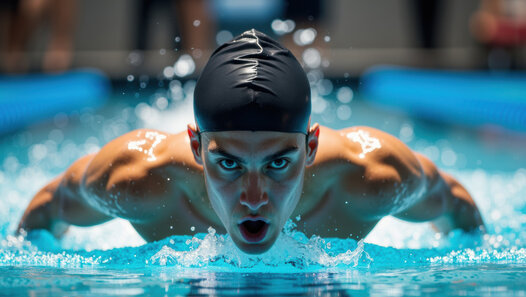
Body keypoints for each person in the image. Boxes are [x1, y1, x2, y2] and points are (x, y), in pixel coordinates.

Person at [18, 30, 485, 254]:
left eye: (279, 164)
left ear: (311, 146)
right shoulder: (136, 177)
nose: (254, 197)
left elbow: (457, 206)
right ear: (197, 148)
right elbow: (46, 209)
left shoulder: (373, 175)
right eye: (229, 164)